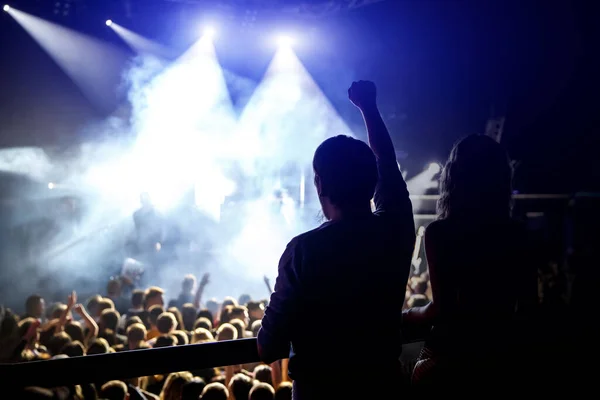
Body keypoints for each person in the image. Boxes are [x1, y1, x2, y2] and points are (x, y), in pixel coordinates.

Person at [257, 81, 415, 399]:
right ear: (372, 184)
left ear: (319, 183)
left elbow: (268, 347)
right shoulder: (394, 231)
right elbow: (386, 163)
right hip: (385, 386)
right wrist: (369, 108)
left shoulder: (302, 251)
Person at [404, 135, 537, 389]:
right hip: (499, 358)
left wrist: (409, 315)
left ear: (454, 178)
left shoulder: (440, 233)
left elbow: (440, 309)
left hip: (450, 358)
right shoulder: (518, 234)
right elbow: (529, 307)